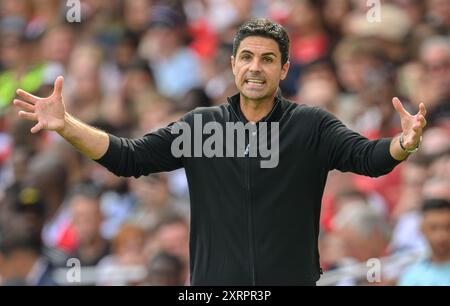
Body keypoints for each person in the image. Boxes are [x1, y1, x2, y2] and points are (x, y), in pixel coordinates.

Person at [13, 18, 427, 285]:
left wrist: (403, 143)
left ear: (284, 69)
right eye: (246, 57)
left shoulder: (311, 125)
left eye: (268, 59)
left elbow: (369, 159)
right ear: (232, 64)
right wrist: (66, 126)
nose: (255, 67)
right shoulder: (201, 125)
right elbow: (128, 158)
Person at [397, 198, 450, 285]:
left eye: (448, 227)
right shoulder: (412, 275)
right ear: (421, 230)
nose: (441, 235)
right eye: (433, 228)